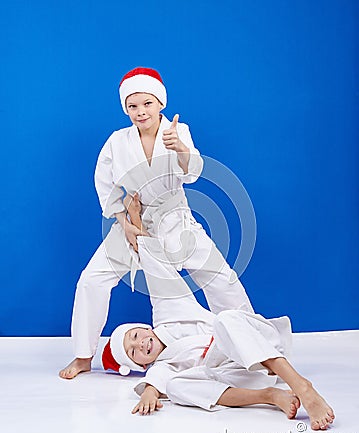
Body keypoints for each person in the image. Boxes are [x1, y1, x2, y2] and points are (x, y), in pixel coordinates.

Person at [60, 67, 254, 379]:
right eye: (132, 106)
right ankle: (83, 356)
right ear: (126, 108)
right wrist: (124, 222)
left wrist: (181, 149)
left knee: (221, 278)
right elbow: (106, 184)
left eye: (147, 104)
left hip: (175, 219)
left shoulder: (178, 131)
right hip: (134, 220)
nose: (140, 112)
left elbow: (191, 173)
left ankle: (253, 347)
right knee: (91, 280)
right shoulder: (117, 142)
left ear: (160, 103)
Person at [102, 195, 335, 431]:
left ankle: (301, 386)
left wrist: (136, 222)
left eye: (134, 337)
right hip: (241, 375)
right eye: (134, 353)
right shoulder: (163, 365)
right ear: (141, 366)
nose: (140, 345)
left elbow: (157, 269)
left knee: (226, 318)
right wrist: (149, 393)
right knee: (175, 388)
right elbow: (156, 381)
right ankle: (271, 396)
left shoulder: (168, 314)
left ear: (144, 328)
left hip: (259, 346)